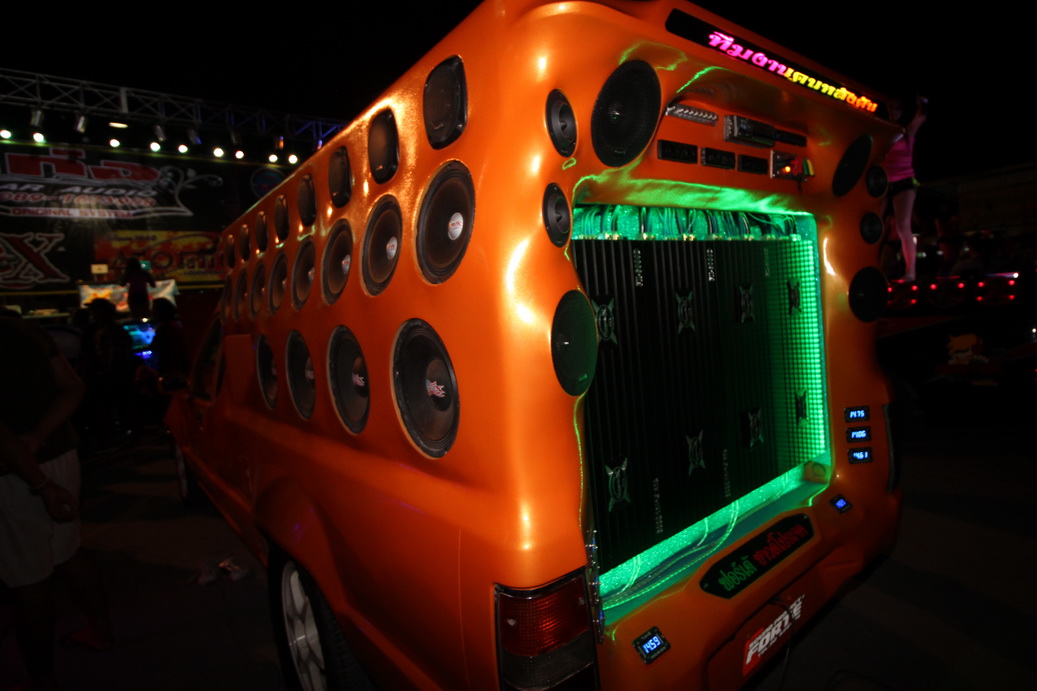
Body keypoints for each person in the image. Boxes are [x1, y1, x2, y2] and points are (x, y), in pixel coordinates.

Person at [0, 313, 113, 691]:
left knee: (28, 579)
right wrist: (38, 435)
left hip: (16, 472)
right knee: (67, 551)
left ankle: (42, 679)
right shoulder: (23, 329)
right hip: (58, 452)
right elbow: (72, 387)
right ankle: (101, 633)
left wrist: (39, 482)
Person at [883, 94, 928, 282]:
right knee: (879, 227)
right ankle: (878, 268)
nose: (894, 112)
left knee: (903, 226)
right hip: (884, 183)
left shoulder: (907, 131)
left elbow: (921, 117)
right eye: (891, 108)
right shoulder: (883, 131)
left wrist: (922, 104)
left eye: (897, 109)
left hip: (904, 181)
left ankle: (911, 272)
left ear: (901, 112)